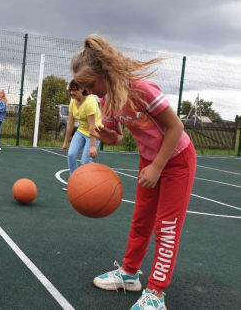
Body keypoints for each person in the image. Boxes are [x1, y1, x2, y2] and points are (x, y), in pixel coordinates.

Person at [71, 34, 196, 310]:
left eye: (90, 85)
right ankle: (129, 275)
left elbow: (176, 128)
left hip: (176, 160)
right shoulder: (107, 101)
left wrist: (157, 166)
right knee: (141, 219)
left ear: (106, 72)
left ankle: (156, 293)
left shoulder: (141, 90)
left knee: (166, 228)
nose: (89, 91)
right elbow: (117, 135)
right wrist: (111, 138)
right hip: (149, 160)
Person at [61, 79, 102, 190]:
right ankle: (75, 181)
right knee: (71, 155)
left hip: (94, 132)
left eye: (74, 90)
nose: (71, 93)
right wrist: (65, 142)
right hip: (81, 131)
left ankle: (91, 179)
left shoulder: (90, 103)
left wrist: (93, 146)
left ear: (82, 89)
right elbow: (70, 123)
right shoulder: (72, 101)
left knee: (85, 162)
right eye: (70, 90)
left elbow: (92, 126)